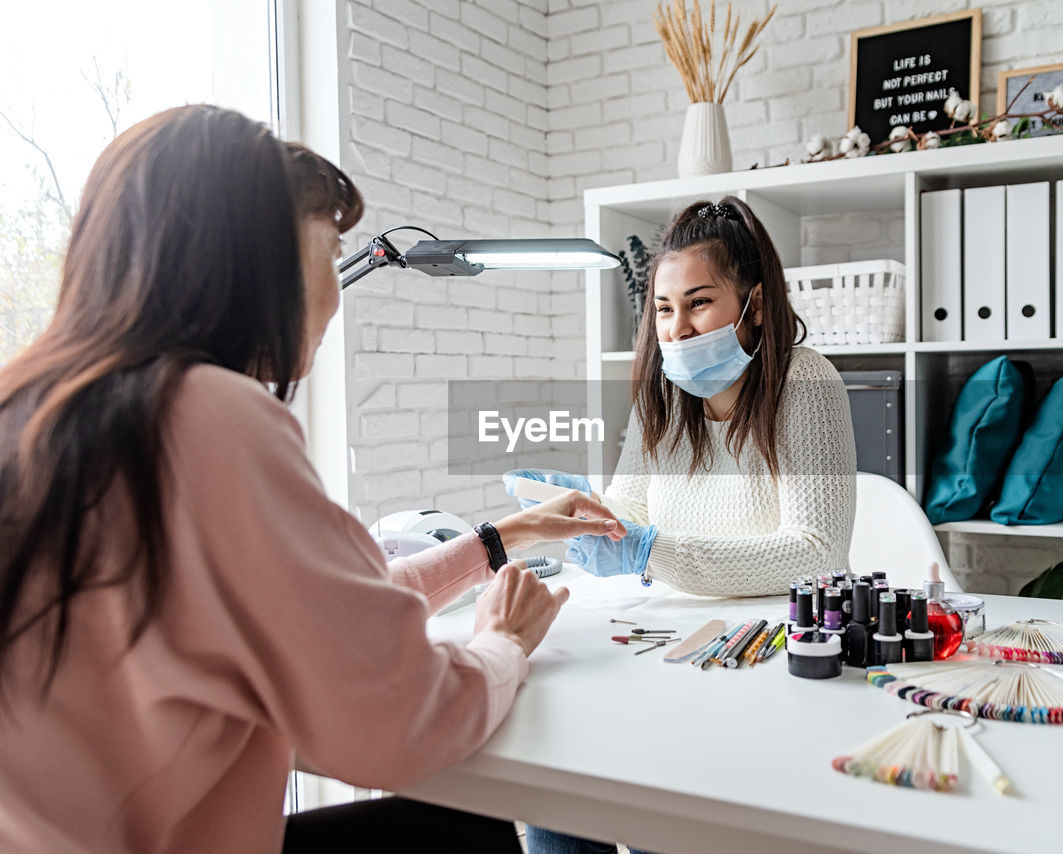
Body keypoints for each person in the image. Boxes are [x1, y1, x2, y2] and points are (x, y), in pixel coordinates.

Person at [0, 104, 623, 853]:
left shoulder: (32, 405)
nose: (333, 294)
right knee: (472, 826)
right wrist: (503, 644)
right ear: (252, 260)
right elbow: (400, 722)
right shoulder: (204, 416)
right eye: (329, 252)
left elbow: (313, 610)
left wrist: (499, 538)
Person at [512, 196, 857, 854]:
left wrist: (648, 549)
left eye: (699, 303)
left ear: (754, 305)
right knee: (556, 774)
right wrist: (588, 515)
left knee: (651, 806)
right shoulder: (664, 396)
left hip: (751, 668)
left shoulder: (805, 383)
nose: (677, 329)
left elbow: (818, 554)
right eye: (664, 310)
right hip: (663, 649)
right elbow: (633, 517)